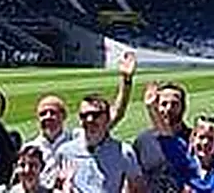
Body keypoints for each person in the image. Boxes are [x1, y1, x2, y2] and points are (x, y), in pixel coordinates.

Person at [30, 54, 140, 183]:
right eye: (43, 113)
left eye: (53, 112)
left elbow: (115, 115)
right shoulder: (31, 147)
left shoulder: (78, 137)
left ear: (64, 116)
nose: (48, 117)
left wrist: (126, 81)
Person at [54, 96, 140, 193]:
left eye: (96, 115)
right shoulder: (65, 152)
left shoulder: (124, 152)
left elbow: (136, 187)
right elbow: (57, 187)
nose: (89, 119)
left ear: (107, 118)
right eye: (84, 115)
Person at [133, 84, 187, 193]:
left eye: (174, 104)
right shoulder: (143, 141)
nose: (168, 108)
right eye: (164, 104)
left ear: (184, 107)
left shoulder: (195, 141)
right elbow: (134, 181)